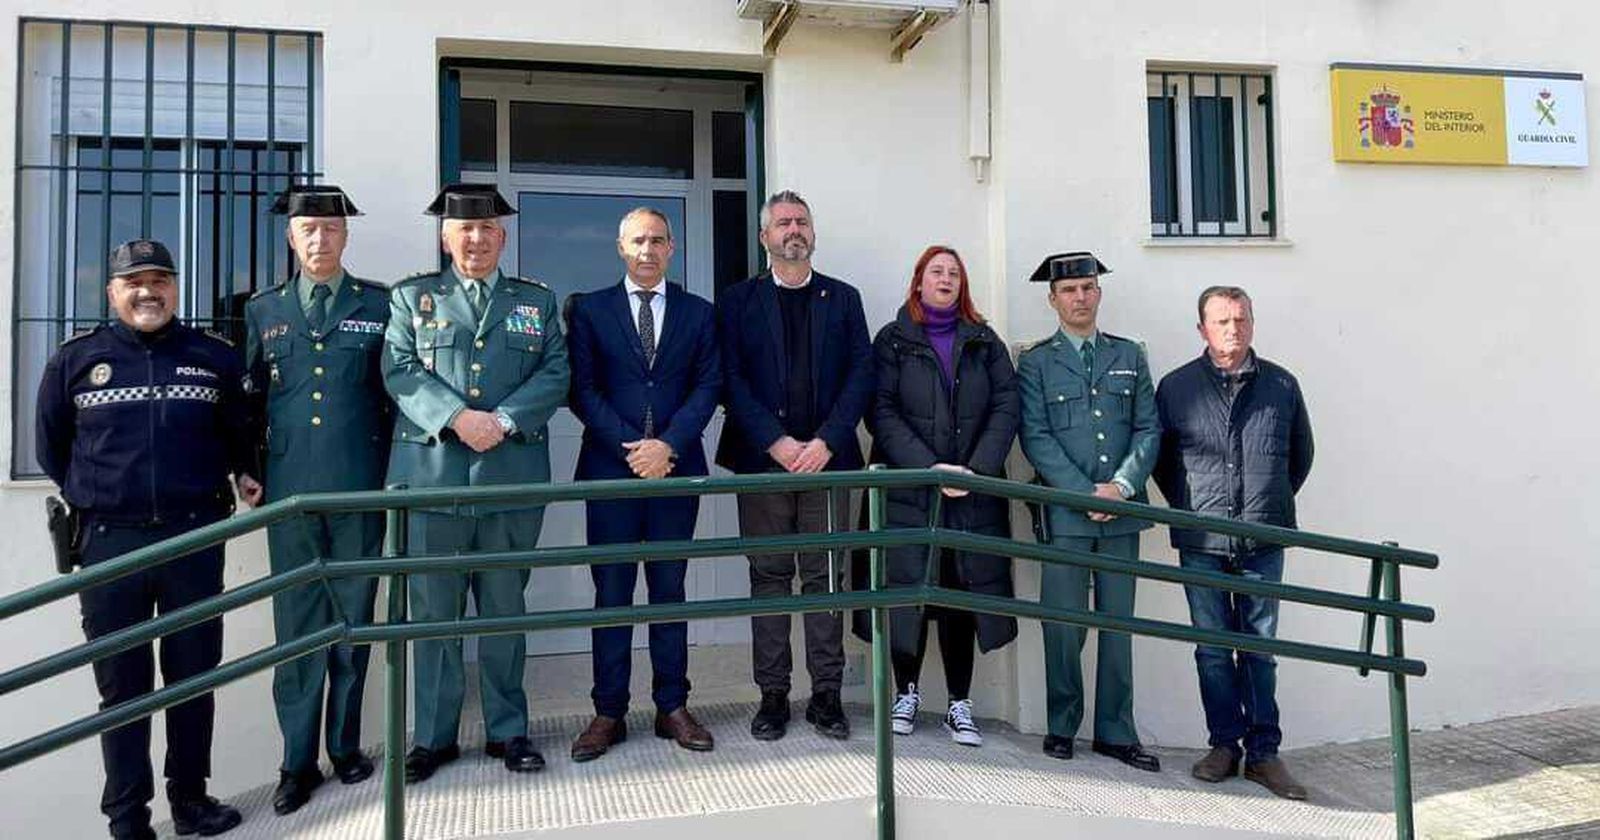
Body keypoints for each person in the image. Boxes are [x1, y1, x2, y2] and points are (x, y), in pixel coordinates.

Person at [35, 239, 252, 839]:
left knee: (193, 679)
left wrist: (244, 472)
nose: (147, 291)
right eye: (134, 282)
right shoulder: (76, 360)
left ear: (175, 289)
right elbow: (51, 448)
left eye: (159, 280)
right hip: (110, 545)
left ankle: (191, 802)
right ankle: (129, 820)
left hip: (192, 539)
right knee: (123, 692)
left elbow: (239, 432)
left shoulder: (213, 357)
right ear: (112, 293)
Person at [382, 184, 569, 782]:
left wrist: (505, 421)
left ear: (503, 238)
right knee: (433, 613)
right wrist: (458, 418)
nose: (477, 238)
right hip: (433, 480)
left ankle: (508, 731)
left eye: (489, 229)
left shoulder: (534, 301)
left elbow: (555, 370)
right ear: (446, 236)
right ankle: (432, 738)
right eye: (466, 229)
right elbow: (399, 367)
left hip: (509, 478)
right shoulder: (412, 298)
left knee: (502, 609)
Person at [243, 185, 391, 814]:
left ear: (345, 237)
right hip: (292, 498)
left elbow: (393, 396)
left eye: (331, 230)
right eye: (309, 229)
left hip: (361, 490)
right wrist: (246, 472)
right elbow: (248, 401)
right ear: (291, 237)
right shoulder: (263, 309)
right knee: (298, 634)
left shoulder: (379, 305)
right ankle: (295, 763)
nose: (320, 239)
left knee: (351, 627)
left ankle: (346, 747)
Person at [715, 190, 873, 741]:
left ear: (812, 233)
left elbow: (861, 375)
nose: (793, 230)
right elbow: (730, 380)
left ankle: (826, 695)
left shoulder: (844, 299)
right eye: (782, 223)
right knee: (770, 579)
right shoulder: (737, 302)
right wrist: (776, 442)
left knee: (827, 576)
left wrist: (827, 441)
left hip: (829, 465)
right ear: (764, 238)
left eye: (801, 221)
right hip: (763, 464)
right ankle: (774, 695)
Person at [565, 208, 721, 761]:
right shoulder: (590, 311)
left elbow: (708, 386)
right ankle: (608, 712)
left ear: (672, 247)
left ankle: (671, 706)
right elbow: (582, 390)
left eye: (657, 240)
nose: (647, 250)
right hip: (611, 472)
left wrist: (668, 446)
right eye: (637, 241)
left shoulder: (699, 314)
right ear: (620, 246)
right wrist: (634, 450)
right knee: (611, 595)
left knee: (669, 591)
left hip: (675, 472)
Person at [854, 245, 1019, 747]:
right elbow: (878, 410)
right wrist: (929, 469)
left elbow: (1007, 406)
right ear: (918, 281)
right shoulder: (893, 340)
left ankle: (957, 703)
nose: (945, 278)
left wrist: (977, 469)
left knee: (960, 596)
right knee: (906, 595)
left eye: (953, 272)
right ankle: (905, 694)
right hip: (910, 492)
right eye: (935, 271)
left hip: (971, 492)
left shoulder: (985, 342)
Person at [1154, 285, 1314, 800]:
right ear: (1202, 328)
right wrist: (1193, 506)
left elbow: (1300, 456)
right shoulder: (1176, 387)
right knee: (1212, 651)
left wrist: (1264, 505)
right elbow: (1163, 462)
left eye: (1241, 319)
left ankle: (1264, 754)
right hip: (1201, 538)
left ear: (1252, 323)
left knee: (1261, 651)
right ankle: (1225, 744)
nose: (1233, 329)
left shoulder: (1282, 385)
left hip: (1263, 538)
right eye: (1221, 321)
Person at [1016, 251, 1161, 772]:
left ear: (1099, 294)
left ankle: (1116, 732)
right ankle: (1062, 725)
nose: (1080, 297)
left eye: (1088, 288)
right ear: (1052, 299)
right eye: (1070, 290)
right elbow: (1035, 434)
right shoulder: (1034, 362)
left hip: (1122, 512)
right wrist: (1083, 493)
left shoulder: (1130, 355)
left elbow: (1149, 428)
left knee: (1118, 624)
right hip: (1066, 513)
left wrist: (1121, 486)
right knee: (1064, 625)